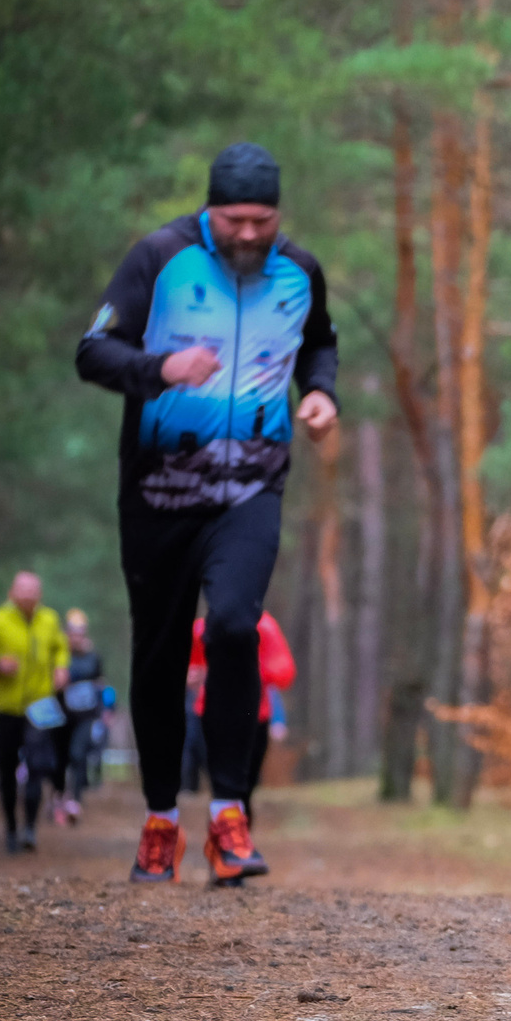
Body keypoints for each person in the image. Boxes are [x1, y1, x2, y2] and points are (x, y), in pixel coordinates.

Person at [76, 142, 338, 886]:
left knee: (232, 625)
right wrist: (160, 369)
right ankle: (162, 819)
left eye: (262, 220)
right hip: (159, 492)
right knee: (159, 652)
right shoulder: (158, 258)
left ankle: (229, 816)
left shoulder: (300, 270)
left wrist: (321, 395)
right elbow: (93, 352)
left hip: (251, 488)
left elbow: (320, 344)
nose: (250, 234)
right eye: (235, 220)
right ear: (209, 209)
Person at [0, 573, 70, 853]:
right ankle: (11, 828)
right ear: (12, 592)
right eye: (24, 590)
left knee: (38, 765)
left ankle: (30, 826)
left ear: (40, 594)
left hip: (40, 705)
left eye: (34, 591)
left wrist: (61, 668)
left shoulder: (50, 619)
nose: (29, 595)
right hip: (6, 707)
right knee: (6, 768)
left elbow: (60, 648)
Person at [184, 610, 295, 802]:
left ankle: (235, 820)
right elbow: (183, 667)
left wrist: (243, 671)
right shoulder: (201, 629)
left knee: (243, 788)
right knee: (222, 783)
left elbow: (284, 673)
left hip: (253, 717)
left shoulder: (265, 626)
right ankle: (221, 816)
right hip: (209, 715)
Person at [54, 609, 106, 824]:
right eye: (73, 632)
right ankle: (58, 797)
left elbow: (102, 683)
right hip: (61, 715)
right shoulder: (59, 655)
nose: (76, 636)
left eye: (80, 632)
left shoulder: (93, 657)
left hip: (85, 715)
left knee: (78, 753)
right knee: (60, 758)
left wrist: (104, 709)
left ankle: (75, 800)